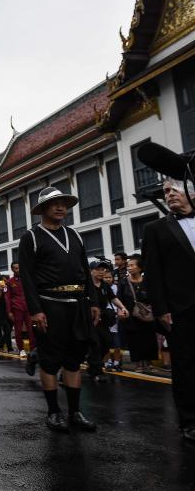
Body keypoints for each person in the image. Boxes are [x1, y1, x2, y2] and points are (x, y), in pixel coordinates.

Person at [18, 186, 98, 432]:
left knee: (74, 361)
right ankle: (54, 412)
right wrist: (35, 310)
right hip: (50, 306)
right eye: (55, 204)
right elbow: (28, 279)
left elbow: (86, 272)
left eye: (64, 203)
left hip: (78, 305)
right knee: (50, 361)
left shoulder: (75, 235)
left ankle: (75, 412)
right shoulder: (31, 237)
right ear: (42, 209)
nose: (61, 207)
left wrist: (93, 301)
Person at [142, 176, 195, 442]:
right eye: (166, 191)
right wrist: (161, 309)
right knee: (185, 366)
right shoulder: (155, 229)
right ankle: (189, 421)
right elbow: (152, 273)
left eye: (175, 189)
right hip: (180, 308)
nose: (169, 194)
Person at [88, 260, 128, 383]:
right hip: (89, 320)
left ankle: (93, 365)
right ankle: (96, 371)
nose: (101, 272)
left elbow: (113, 298)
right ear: (90, 271)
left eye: (103, 269)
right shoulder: (85, 285)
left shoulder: (105, 285)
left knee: (107, 342)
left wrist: (123, 307)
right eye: (98, 269)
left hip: (103, 319)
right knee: (96, 344)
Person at [117, 255, 157, 373]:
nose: (129, 267)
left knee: (149, 338)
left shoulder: (148, 281)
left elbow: (154, 297)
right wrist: (121, 310)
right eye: (128, 265)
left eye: (132, 265)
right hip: (130, 315)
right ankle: (139, 363)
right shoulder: (123, 282)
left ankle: (149, 362)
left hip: (146, 314)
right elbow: (119, 298)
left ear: (140, 267)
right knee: (134, 339)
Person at [6, 262, 33, 358]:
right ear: (12, 269)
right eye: (16, 268)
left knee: (31, 330)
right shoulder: (9, 282)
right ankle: (21, 349)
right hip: (17, 308)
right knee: (18, 330)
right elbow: (7, 298)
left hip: (28, 308)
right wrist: (9, 311)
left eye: (19, 268)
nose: (18, 270)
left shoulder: (27, 279)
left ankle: (33, 349)